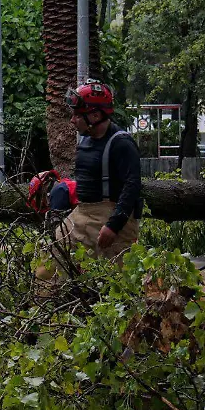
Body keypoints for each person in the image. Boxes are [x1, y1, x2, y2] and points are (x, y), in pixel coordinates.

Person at [42, 80, 141, 273]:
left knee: (116, 281)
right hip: (82, 215)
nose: (72, 120)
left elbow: (132, 186)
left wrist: (114, 225)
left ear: (95, 115)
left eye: (78, 115)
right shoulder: (86, 141)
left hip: (111, 218)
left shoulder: (121, 143)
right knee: (52, 258)